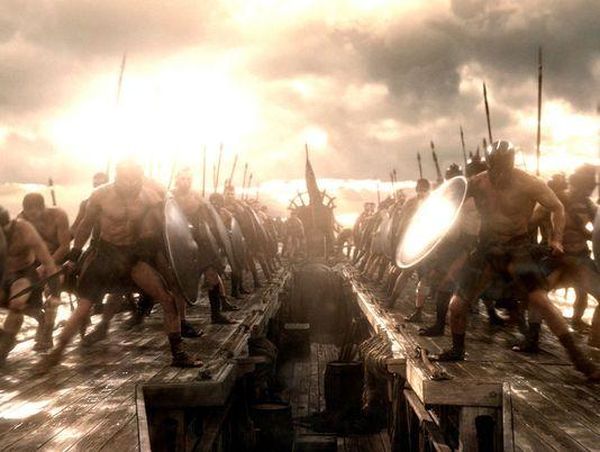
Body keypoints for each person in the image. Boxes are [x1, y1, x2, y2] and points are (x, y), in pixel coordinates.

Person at [435, 140, 599, 381]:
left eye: (504, 169)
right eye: (495, 169)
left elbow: (557, 207)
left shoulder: (529, 182)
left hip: (517, 248)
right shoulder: (478, 183)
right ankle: (458, 349)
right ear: (489, 165)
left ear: (511, 165)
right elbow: (449, 202)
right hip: (487, 249)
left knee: (541, 302)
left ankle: (581, 361)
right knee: (457, 305)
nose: (499, 175)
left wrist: (556, 239)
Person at [40, 160, 202, 370]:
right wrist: (74, 256)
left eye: (135, 180)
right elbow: (85, 226)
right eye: (126, 179)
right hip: (104, 255)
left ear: (140, 179)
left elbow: (164, 229)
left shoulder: (150, 197)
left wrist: (181, 244)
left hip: (131, 256)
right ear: (117, 177)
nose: (131, 184)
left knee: (167, 300)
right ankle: (56, 353)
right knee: (84, 307)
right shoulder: (100, 196)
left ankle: (178, 354)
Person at [171, 168, 237, 324]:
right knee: (181, 282)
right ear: (177, 180)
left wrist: (218, 236)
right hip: (180, 244)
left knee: (212, 275)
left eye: (188, 179)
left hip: (200, 242)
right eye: (182, 178)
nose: (186, 182)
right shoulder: (170, 198)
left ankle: (216, 315)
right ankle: (182, 321)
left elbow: (210, 219)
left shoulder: (196, 197)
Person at [0, 206, 60, 365]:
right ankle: (9, 334)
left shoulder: (24, 229)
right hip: (3, 275)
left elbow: (48, 263)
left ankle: (4, 347)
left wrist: (55, 294)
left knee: (16, 304)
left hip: (24, 274)